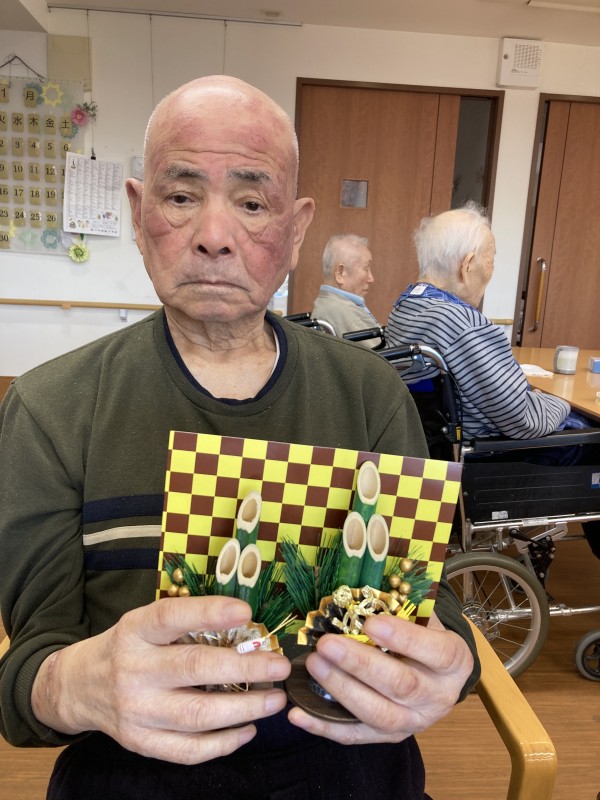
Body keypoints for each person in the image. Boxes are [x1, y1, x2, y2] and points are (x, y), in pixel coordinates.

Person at [0, 76, 478, 800]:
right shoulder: (50, 409)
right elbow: (28, 672)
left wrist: (450, 662)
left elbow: (429, 600)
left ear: (295, 230)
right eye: (181, 196)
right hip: (135, 777)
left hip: (349, 771)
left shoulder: (370, 394)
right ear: (138, 213)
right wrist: (72, 685)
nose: (215, 236)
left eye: (252, 204)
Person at [386, 201, 600, 556]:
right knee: (592, 437)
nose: (492, 268)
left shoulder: (407, 305)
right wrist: (562, 403)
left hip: (441, 451)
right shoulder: (462, 325)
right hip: (485, 461)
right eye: (492, 258)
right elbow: (525, 420)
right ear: (467, 265)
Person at [311, 233, 382, 346]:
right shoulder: (342, 313)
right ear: (340, 273)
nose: (371, 279)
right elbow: (383, 355)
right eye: (366, 268)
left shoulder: (328, 304)